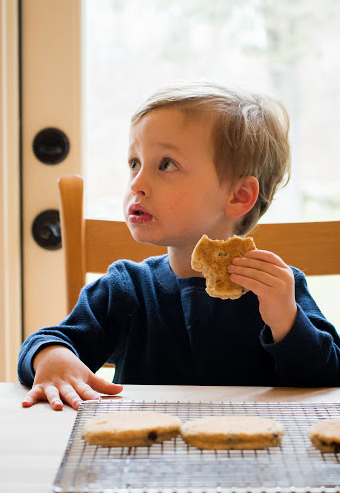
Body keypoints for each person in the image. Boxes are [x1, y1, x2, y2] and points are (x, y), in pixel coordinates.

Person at [18, 81, 340, 411]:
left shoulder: (278, 289)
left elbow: (329, 379)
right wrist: (53, 358)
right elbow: (50, 340)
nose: (136, 184)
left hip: (256, 454)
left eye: (166, 164)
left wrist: (286, 322)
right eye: (134, 163)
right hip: (145, 454)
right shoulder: (125, 288)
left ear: (238, 196)